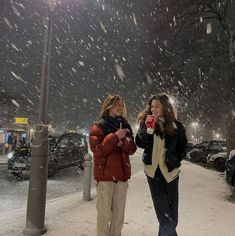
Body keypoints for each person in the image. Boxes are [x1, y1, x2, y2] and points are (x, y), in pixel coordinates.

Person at [135, 94, 188, 236]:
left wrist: (175, 160)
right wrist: (146, 130)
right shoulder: (146, 123)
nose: (153, 109)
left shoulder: (177, 126)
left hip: (170, 173)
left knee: (172, 213)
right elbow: (139, 143)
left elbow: (183, 147)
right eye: (151, 106)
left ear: (165, 107)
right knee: (163, 212)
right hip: (153, 173)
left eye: (157, 106)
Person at [89, 94, 137, 236]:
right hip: (106, 179)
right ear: (109, 106)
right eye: (117, 105)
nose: (120, 108)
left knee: (118, 217)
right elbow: (97, 151)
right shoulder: (99, 126)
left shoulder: (126, 125)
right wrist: (114, 137)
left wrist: (124, 142)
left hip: (121, 178)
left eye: (122, 105)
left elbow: (132, 149)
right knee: (104, 216)